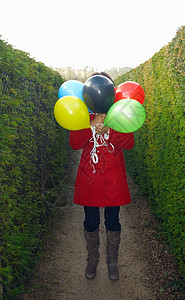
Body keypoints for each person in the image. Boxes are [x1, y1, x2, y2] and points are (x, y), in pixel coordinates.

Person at [69, 72, 134, 281]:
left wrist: (109, 131)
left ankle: (112, 261)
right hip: (90, 178)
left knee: (113, 221)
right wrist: (91, 127)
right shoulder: (83, 116)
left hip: (113, 178)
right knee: (91, 221)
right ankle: (93, 259)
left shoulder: (119, 116)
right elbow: (74, 143)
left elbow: (130, 143)